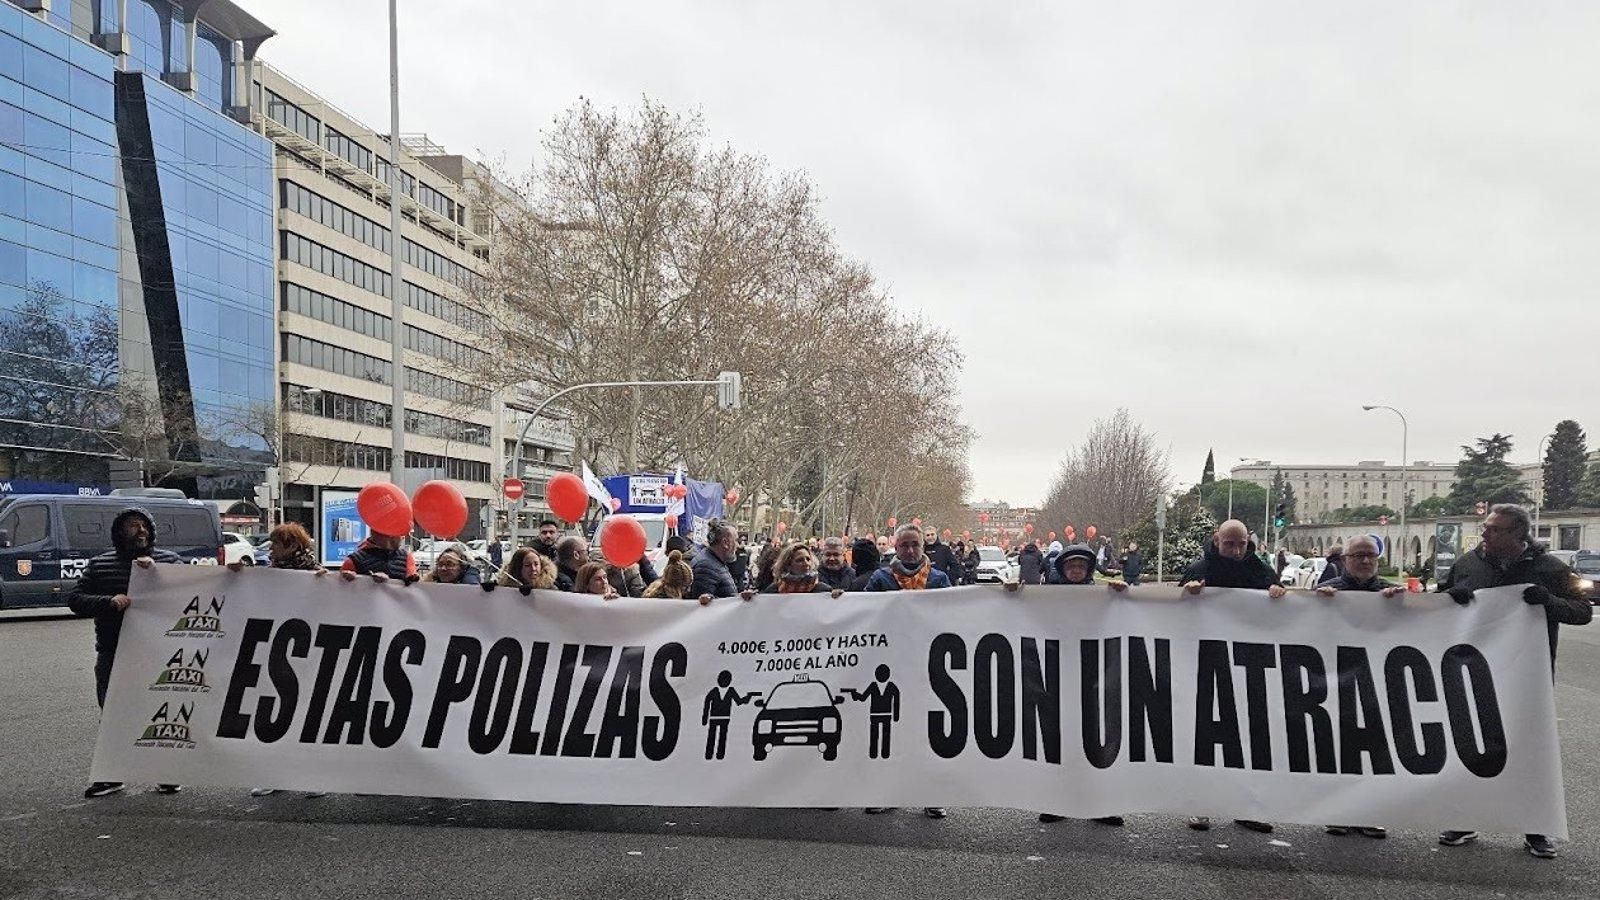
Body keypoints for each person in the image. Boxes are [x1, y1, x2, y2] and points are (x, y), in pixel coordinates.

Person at [1435, 503, 1591, 860]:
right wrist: (1448, 598)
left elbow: (1582, 611)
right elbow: (1438, 602)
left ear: (1518, 533)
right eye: (1485, 527)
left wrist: (1549, 601)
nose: (1485, 533)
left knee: (1529, 751)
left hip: (1527, 676)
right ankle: (1465, 818)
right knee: (1471, 746)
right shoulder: (1468, 564)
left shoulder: (1550, 568)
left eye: (1495, 529)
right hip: (1474, 674)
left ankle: (1536, 827)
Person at [69, 507, 184, 798]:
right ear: (119, 532)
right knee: (113, 715)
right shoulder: (100, 565)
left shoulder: (169, 562)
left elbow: (193, 595)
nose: (140, 530)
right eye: (133, 525)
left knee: (161, 715)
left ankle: (167, 773)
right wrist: (109, 602)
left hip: (158, 654)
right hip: (113, 652)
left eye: (144, 525)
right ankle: (111, 776)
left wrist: (158, 574)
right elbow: (75, 600)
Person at [1181, 519, 1284, 833]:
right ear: (1217, 540)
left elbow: (1282, 610)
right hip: (1208, 664)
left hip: (1249, 665)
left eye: (1241, 544)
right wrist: (1187, 593)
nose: (1237, 550)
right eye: (1230, 544)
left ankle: (1247, 806)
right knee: (1205, 736)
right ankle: (1200, 803)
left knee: (1250, 737)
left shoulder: (1261, 571)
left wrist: (1279, 593)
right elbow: (1175, 614)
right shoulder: (1198, 569)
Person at [1022, 545, 1126, 826]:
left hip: (1092, 676)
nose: (1077, 571)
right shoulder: (1048, 596)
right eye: (1071, 566)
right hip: (1057, 674)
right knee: (1058, 738)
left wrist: (1120, 595)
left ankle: (1100, 804)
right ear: (1062, 569)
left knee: (1096, 738)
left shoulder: (1102, 596)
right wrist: (1013, 592)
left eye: (1081, 566)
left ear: (1089, 570)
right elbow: (1023, 611)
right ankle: (1057, 801)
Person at [1311, 534, 1399, 839]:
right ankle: (1337, 812)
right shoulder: (1327, 590)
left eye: (1370, 555)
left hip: (1377, 685)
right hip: (1337, 683)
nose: (1364, 560)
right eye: (1358, 555)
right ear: (1345, 559)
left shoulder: (1391, 592)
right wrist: (1317, 603)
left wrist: (1400, 605)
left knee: (1375, 750)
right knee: (1337, 748)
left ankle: (1369, 813)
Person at [864, 524, 952, 818]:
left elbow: (957, 613)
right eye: (905, 545)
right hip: (892, 664)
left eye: (915, 544)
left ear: (923, 547)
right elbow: (862, 612)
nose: (911, 550)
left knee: (929, 731)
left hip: (929, 665)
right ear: (896, 547)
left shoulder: (939, 579)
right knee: (893, 733)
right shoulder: (881, 578)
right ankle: (887, 792)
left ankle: (932, 794)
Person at [690, 519, 756, 604]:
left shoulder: (714, 562)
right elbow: (704, 605)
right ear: (725, 543)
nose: (737, 545)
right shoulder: (706, 566)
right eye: (736, 540)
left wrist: (740, 597)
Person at [761, 542, 845, 596]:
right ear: (788, 565)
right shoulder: (774, 590)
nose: (806, 563)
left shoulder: (822, 590)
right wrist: (753, 599)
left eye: (808, 559)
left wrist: (837, 597)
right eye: (800, 560)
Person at [340, 532, 416, 582]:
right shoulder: (353, 560)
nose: (402, 537)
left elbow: (413, 586)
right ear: (390, 535)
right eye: (400, 533)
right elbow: (341, 589)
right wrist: (347, 578)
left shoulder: (407, 557)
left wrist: (413, 579)